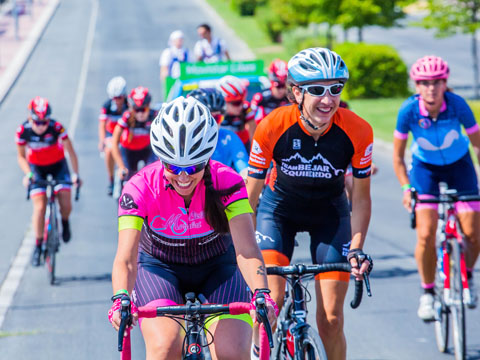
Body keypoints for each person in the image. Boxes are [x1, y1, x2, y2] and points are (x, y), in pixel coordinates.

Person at [109, 96, 277, 360]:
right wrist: (120, 298)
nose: (184, 176)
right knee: (164, 349)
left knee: (232, 353)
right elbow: (126, 258)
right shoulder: (139, 187)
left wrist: (261, 292)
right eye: (173, 166)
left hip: (218, 267)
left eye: (194, 166)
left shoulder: (228, 182)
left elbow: (246, 248)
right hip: (160, 269)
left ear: (208, 157)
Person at [246, 48, 373, 360]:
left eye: (335, 89)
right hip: (278, 213)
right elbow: (249, 197)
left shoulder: (358, 130)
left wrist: (356, 247)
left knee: (331, 318)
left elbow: (360, 196)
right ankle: (256, 351)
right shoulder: (271, 127)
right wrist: (242, 250)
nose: (328, 100)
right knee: (269, 303)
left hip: (330, 215)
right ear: (296, 92)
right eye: (317, 90)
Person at [393, 55, 480, 320]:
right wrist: (407, 188)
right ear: (417, 86)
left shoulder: (457, 105)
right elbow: (398, 157)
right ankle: (428, 293)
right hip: (424, 168)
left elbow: (477, 144)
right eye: (425, 83)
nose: (431, 88)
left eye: (437, 82)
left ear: (445, 84)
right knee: (426, 234)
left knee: (473, 232)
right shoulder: (408, 111)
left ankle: (466, 275)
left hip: (459, 166)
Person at [16, 97, 80, 266]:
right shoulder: (23, 130)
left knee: (66, 203)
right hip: (37, 168)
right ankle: (38, 246)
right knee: (39, 207)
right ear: (30, 119)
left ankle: (65, 222)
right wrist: (28, 174)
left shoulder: (57, 128)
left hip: (58, 166)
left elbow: (71, 152)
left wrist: (76, 174)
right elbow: (21, 157)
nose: (42, 126)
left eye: (45, 122)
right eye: (38, 122)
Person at [187, 87, 249, 178]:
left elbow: (244, 170)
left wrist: (249, 183)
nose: (212, 123)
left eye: (217, 118)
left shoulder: (229, 137)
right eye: (207, 118)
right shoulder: (183, 140)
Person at [111, 86, 157, 182]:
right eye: (137, 110)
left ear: (148, 106)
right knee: (127, 177)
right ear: (132, 108)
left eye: (143, 109)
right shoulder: (126, 117)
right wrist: (121, 166)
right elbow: (114, 142)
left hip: (146, 149)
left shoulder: (154, 116)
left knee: (153, 174)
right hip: (128, 151)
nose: (140, 114)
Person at [99, 76, 129, 196]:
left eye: (119, 98)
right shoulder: (107, 106)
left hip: (125, 134)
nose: (117, 100)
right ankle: (111, 179)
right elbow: (102, 125)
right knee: (109, 150)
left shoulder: (129, 106)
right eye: (114, 98)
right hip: (111, 134)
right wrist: (102, 141)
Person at [216, 75, 256, 152]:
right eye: (236, 103)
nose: (241, 106)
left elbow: (254, 137)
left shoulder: (246, 108)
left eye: (242, 101)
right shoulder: (216, 113)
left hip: (241, 148)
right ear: (223, 102)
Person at [250, 59, 290, 125]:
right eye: (278, 86)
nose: (281, 90)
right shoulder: (260, 98)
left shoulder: (291, 98)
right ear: (271, 83)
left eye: (283, 86)